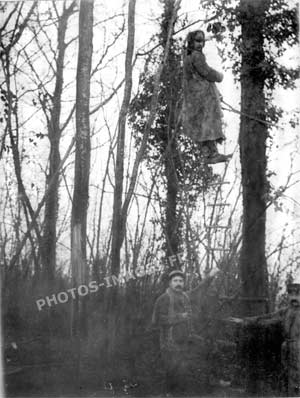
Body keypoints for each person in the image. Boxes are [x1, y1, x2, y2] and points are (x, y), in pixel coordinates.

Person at [152, 269, 218, 396]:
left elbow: (199, 290)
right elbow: (157, 320)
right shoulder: (163, 299)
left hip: (186, 340)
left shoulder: (186, 296)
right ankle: (169, 393)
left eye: (181, 281)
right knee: (172, 370)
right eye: (175, 281)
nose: (178, 283)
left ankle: (212, 382)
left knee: (208, 350)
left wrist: (210, 276)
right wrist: (180, 317)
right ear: (170, 283)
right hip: (169, 343)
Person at [235, 281, 300, 396]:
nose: (294, 297)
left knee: (296, 376)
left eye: (297, 294)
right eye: (291, 294)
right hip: (286, 346)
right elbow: (269, 318)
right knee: (287, 375)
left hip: (298, 346)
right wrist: (248, 320)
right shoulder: (286, 311)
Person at [182, 29, 231, 164]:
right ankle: (211, 154)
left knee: (202, 124)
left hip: (194, 97)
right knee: (209, 122)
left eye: (202, 41)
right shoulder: (196, 56)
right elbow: (206, 72)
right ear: (191, 42)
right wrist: (219, 76)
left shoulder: (186, 57)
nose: (201, 44)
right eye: (197, 41)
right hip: (203, 96)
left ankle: (208, 154)